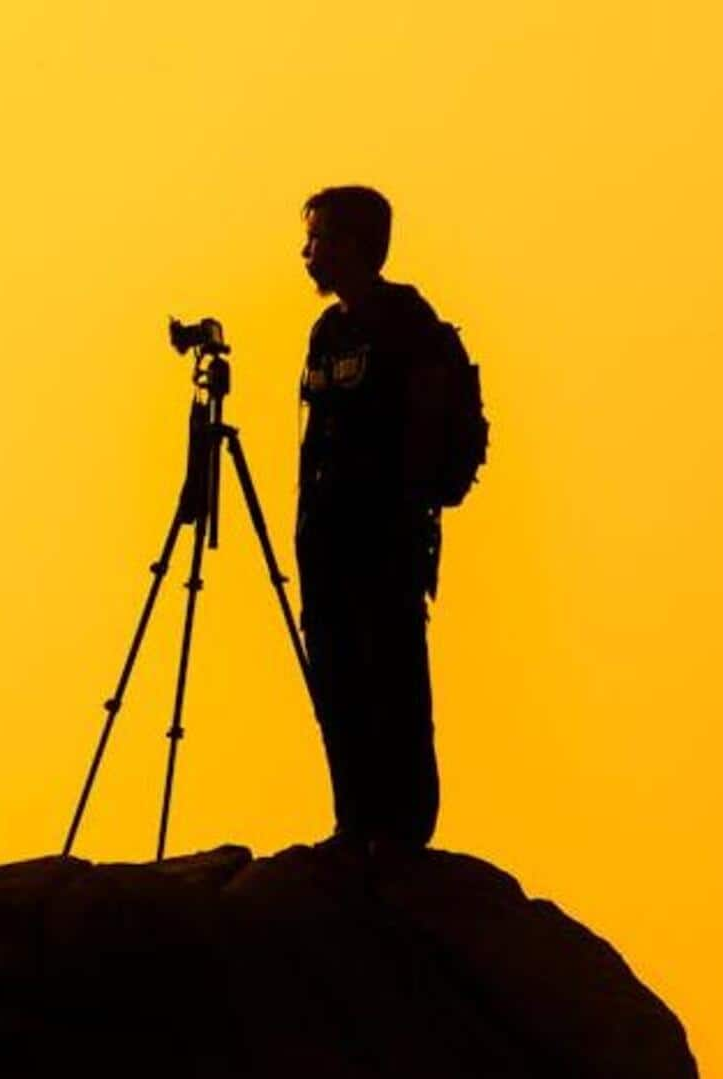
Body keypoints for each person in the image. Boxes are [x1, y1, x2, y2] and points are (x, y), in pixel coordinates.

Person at [295, 185, 451, 852]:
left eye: (320, 238)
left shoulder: (406, 322)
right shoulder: (327, 333)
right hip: (326, 544)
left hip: (384, 542)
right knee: (336, 680)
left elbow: (433, 429)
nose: (307, 253)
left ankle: (402, 829)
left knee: (391, 682)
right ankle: (354, 820)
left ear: (355, 245)